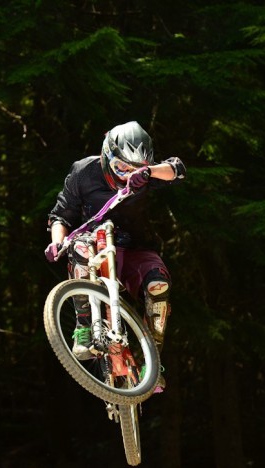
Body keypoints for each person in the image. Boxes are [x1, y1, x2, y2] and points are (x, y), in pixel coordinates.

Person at [45, 121, 186, 392]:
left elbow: (178, 170)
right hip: (94, 244)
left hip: (135, 247)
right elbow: (60, 214)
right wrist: (57, 242)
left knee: (160, 285)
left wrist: (147, 173)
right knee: (81, 249)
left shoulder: (145, 176)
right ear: (106, 156)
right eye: (121, 168)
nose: (125, 176)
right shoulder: (83, 172)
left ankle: (152, 361)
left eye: (133, 170)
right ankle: (84, 326)